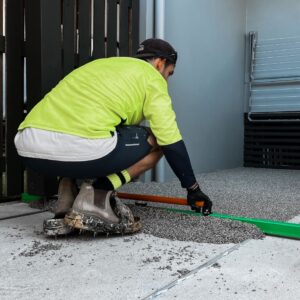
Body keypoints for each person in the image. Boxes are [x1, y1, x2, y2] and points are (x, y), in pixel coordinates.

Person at [14, 38, 212, 236]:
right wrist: (193, 189)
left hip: (28, 146)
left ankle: (67, 196)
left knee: (89, 127)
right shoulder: (153, 78)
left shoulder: (102, 65)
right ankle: (97, 197)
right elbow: (170, 141)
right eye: (169, 73)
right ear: (160, 64)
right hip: (79, 150)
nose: (167, 79)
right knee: (158, 139)